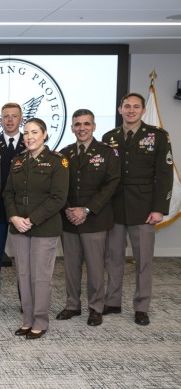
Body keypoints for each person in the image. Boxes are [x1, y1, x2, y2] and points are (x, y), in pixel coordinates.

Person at [102, 93, 173, 326]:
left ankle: (142, 306)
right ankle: (112, 301)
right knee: (113, 258)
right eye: (127, 106)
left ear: (143, 111)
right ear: (120, 109)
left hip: (144, 208)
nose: (131, 110)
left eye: (136, 107)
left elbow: (164, 174)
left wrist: (159, 208)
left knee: (143, 261)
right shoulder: (109, 137)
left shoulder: (158, 136)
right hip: (114, 207)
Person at [3, 117, 69, 339]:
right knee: (23, 274)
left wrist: (30, 219)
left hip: (43, 227)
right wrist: (13, 216)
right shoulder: (18, 161)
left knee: (40, 276)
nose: (29, 137)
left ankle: (40, 321)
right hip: (19, 227)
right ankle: (27, 319)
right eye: (26, 133)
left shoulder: (57, 161)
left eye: (34, 132)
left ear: (45, 134)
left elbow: (58, 198)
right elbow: (8, 193)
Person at [56, 109, 120, 327]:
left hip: (95, 219)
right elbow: (59, 186)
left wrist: (86, 209)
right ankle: (73, 305)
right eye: (77, 124)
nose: (81, 128)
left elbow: (110, 184)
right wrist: (68, 209)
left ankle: (96, 308)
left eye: (86, 124)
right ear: (72, 127)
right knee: (71, 267)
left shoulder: (107, 152)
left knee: (94, 267)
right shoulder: (64, 154)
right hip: (69, 219)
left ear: (94, 126)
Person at [0, 102, 26, 307]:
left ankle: (26, 299)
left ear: (21, 119)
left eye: (14, 116)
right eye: (6, 116)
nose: (10, 120)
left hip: (24, 211)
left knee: (25, 261)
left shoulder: (30, 143)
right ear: (0, 119)